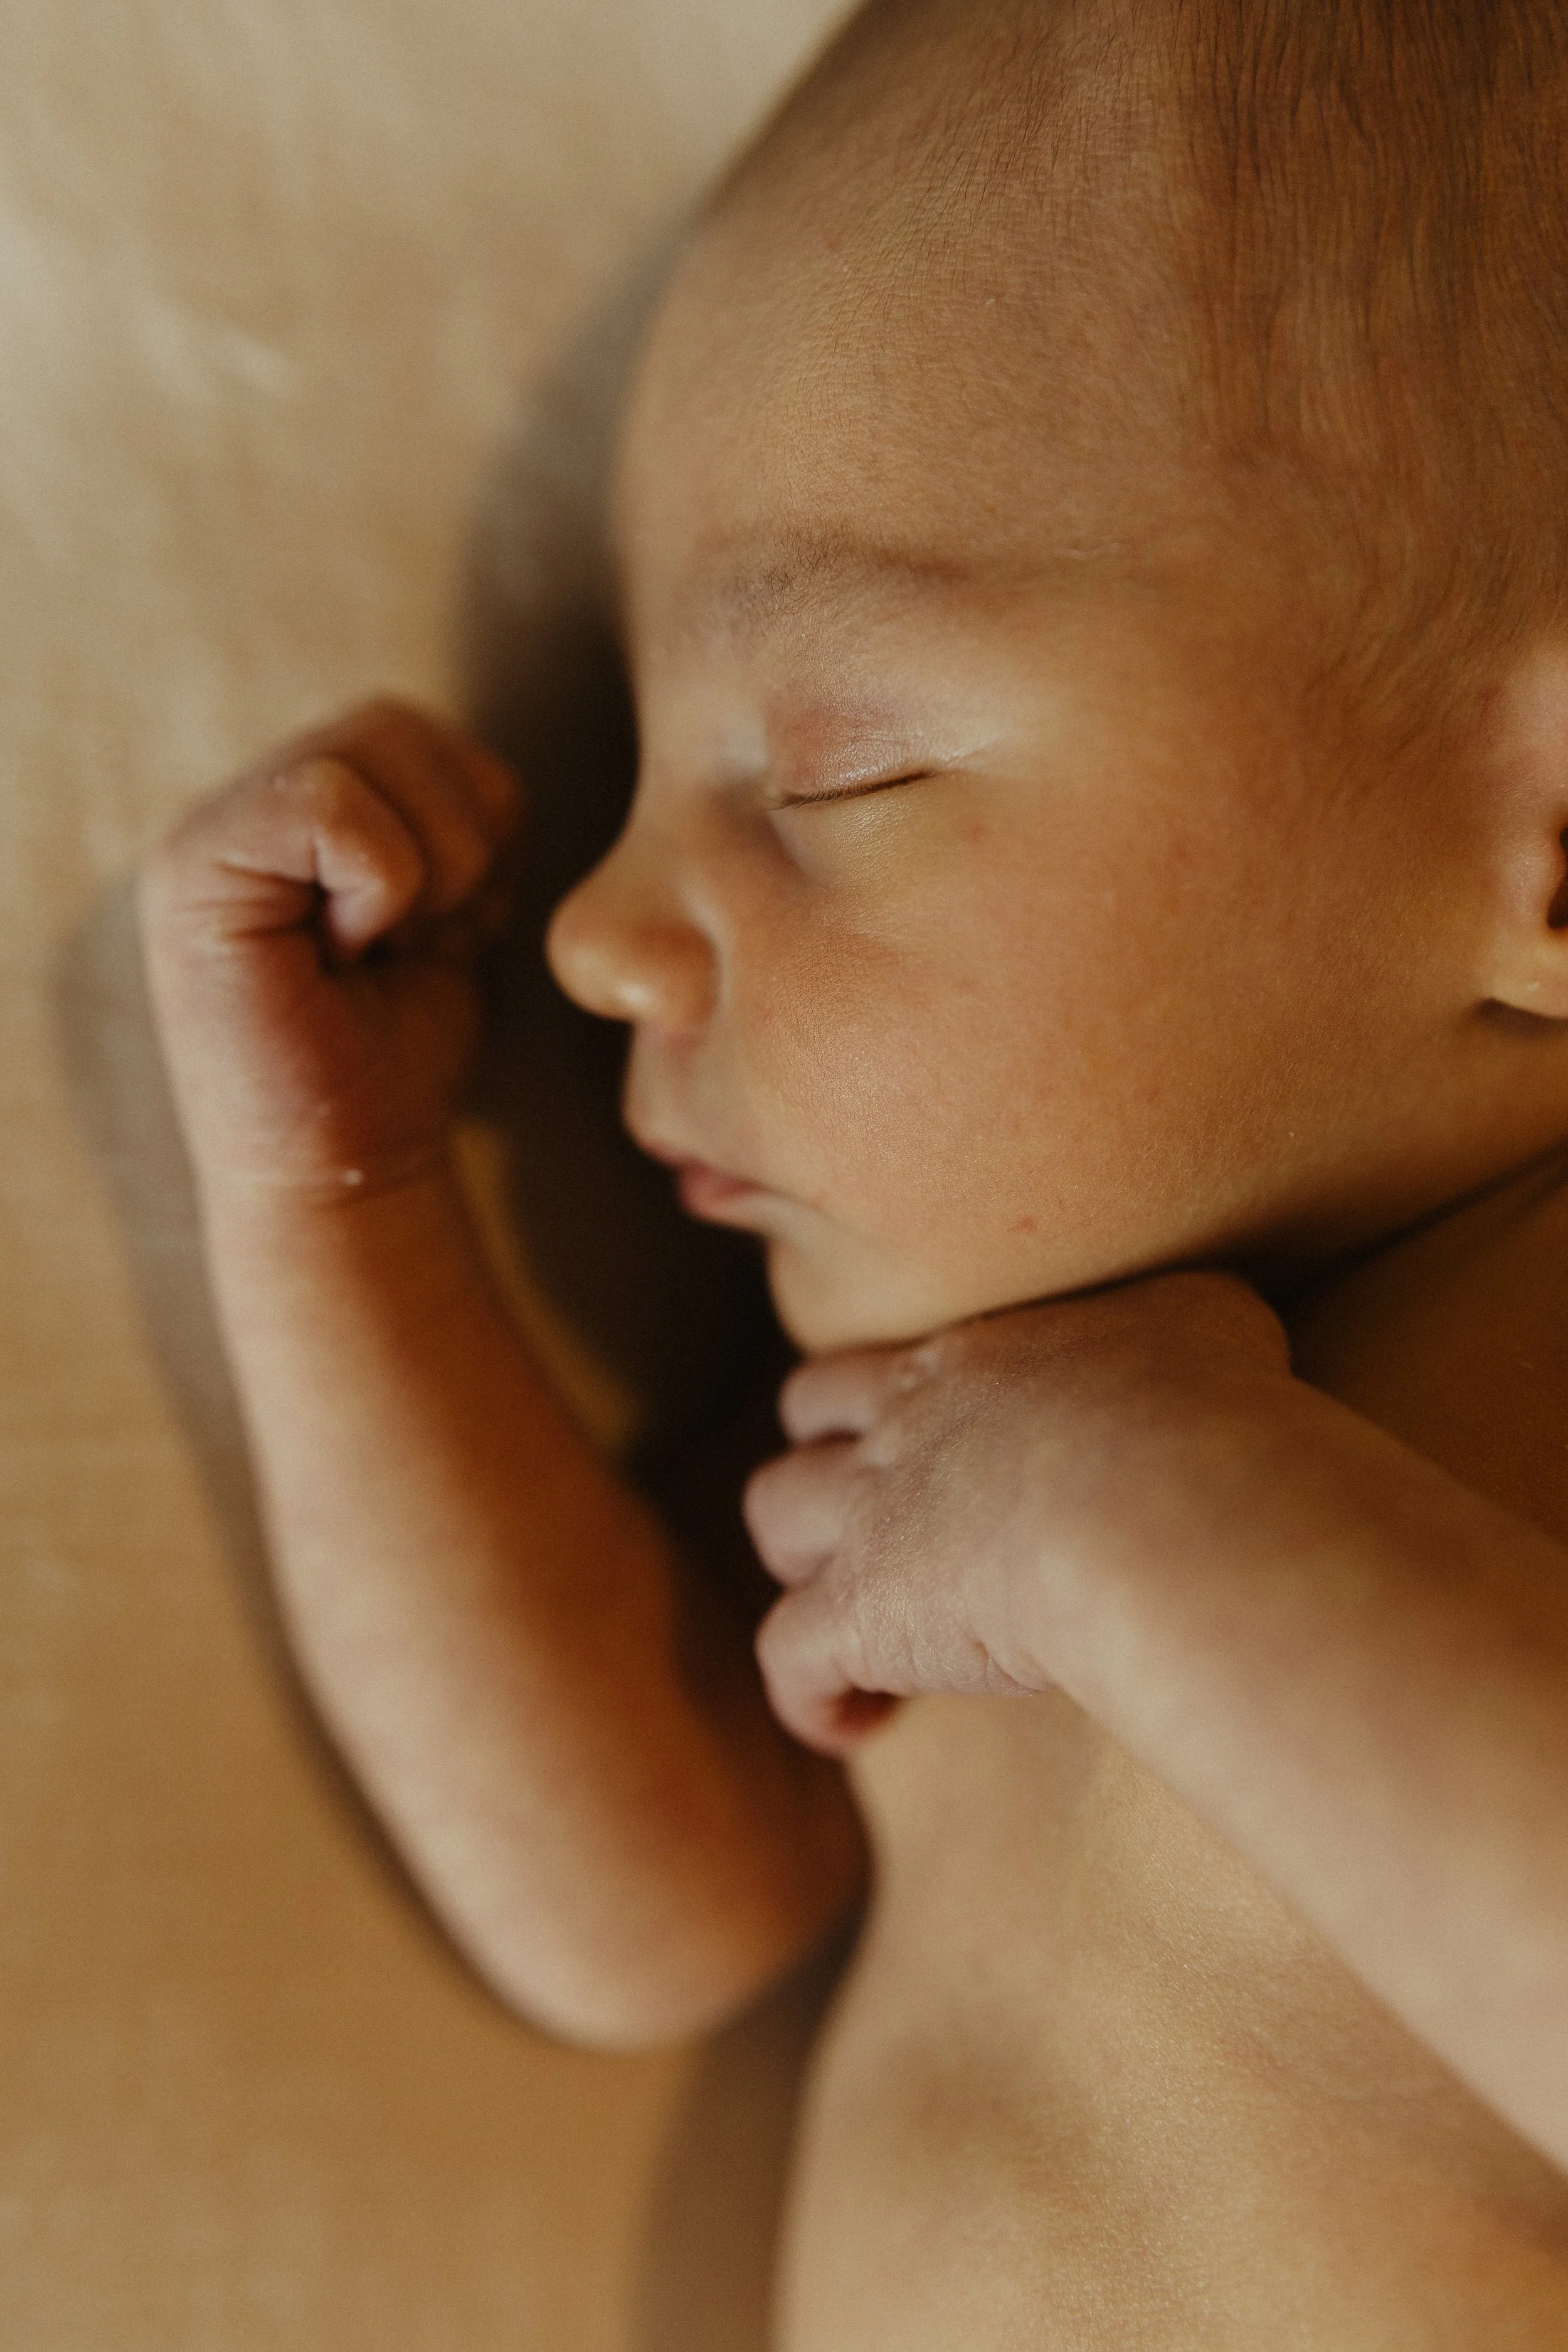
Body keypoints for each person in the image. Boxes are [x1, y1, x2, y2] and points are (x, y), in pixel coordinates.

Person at [138, 0, 1568, 2338]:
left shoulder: (1190, 1443)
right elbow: (645, 1907)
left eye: (831, 772)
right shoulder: (952, 1409)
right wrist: (333, 1205)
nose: (596, 935)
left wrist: (1158, 1529)